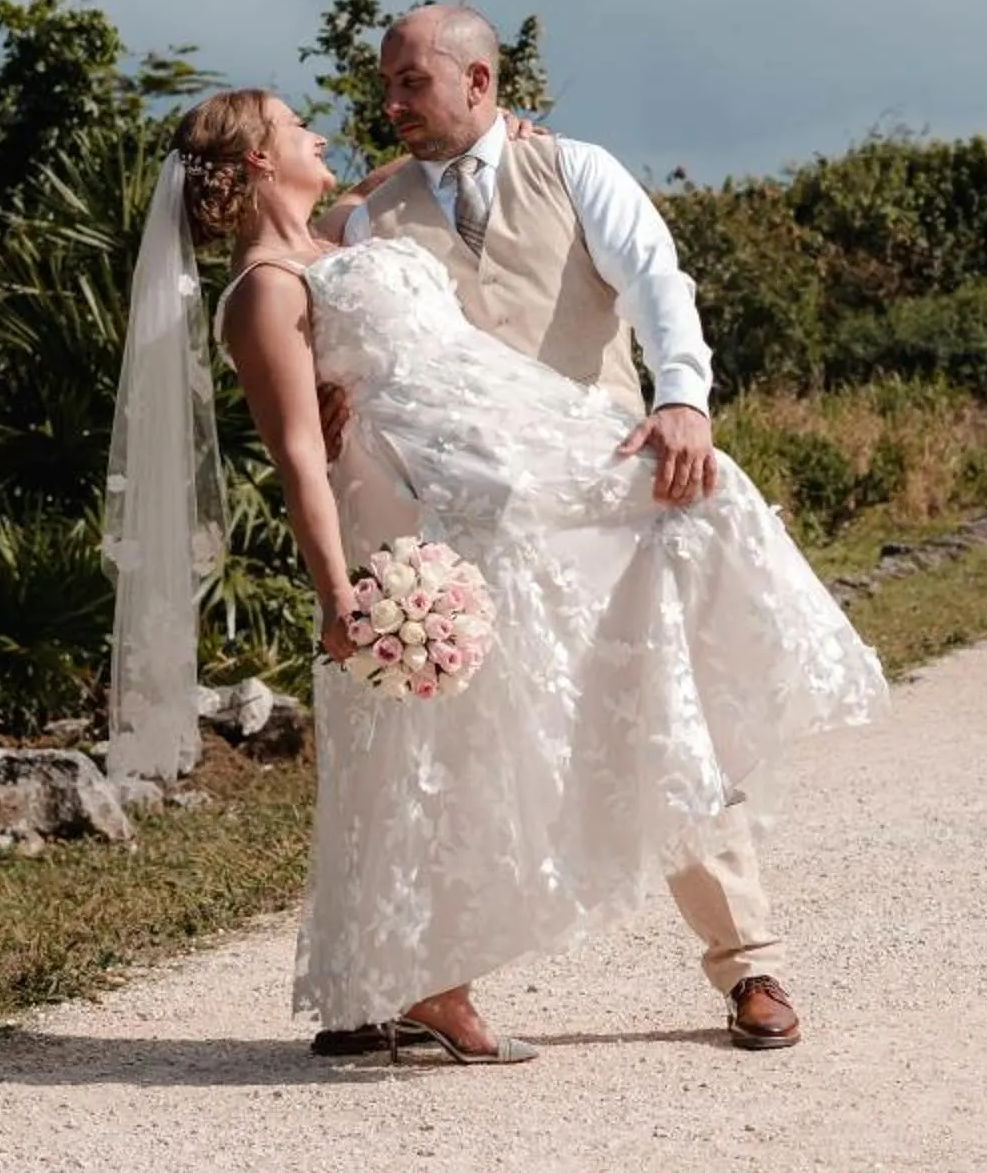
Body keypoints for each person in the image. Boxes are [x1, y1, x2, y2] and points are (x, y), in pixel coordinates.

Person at [100, 82, 885, 1068]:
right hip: (460, 501)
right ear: (259, 158)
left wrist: (504, 129)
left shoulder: (352, 225)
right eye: (300, 124)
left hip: (532, 448)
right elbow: (299, 453)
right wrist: (341, 594)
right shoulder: (265, 286)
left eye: (407, 83)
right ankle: (414, 980)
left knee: (682, 557)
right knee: (452, 738)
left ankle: (737, 958)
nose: (333, 126)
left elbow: (409, 183)